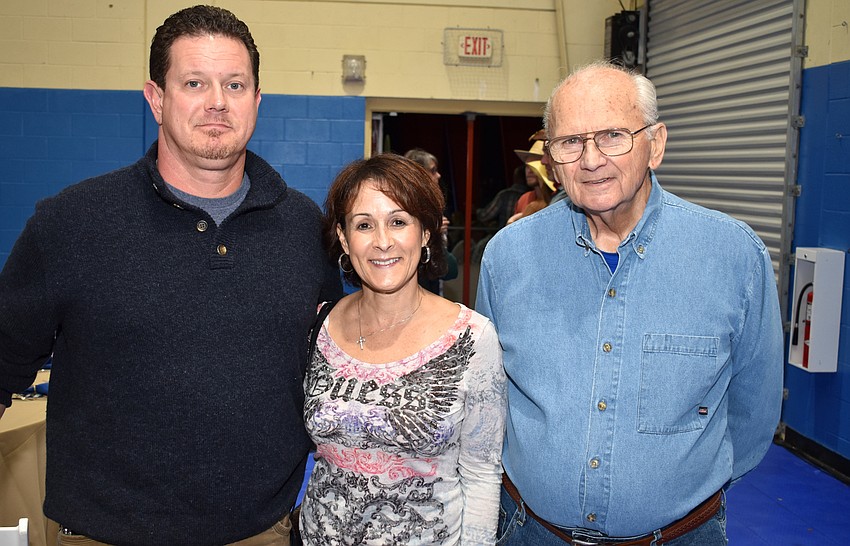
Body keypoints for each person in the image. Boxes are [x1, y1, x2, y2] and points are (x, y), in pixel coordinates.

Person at [0, 5, 342, 545]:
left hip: (261, 533)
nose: (217, 101)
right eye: (194, 83)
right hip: (103, 534)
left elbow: (332, 370)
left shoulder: (304, 228)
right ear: (156, 98)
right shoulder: (71, 224)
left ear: (257, 101)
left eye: (234, 84)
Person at [476, 60, 783, 545]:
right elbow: (489, 398)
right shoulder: (508, 257)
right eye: (570, 142)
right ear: (551, 158)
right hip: (532, 532)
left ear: (655, 144)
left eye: (613, 136)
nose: (591, 160)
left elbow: (754, 412)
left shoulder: (733, 257)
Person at [300, 153, 506, 545]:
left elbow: (481, 472)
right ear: (344, 238)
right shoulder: (319, 325)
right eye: (364, 225)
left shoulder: (472, 338)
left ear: (425, 232)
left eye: (398, 221)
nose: (382, 242)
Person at [403, 148, 459, 294]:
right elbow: (448, 269)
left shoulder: (431, 204)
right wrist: (433, 232)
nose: (438, 175)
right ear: (419, 173)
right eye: (433, 171)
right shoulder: (408, 207)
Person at [507, 134, 556, 224]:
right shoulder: (524, 199)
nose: (529, 171)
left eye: (534, 165)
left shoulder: (559, 197)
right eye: (527, 166)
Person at [476, 165, 531, 229]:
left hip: (505, 232)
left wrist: (475, 211)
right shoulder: (534, 195)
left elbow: (485, 215)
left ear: (515, 178)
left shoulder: (505, 195)